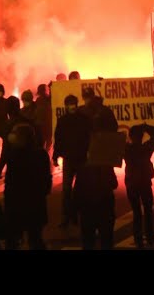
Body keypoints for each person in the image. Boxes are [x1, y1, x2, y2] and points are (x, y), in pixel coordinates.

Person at [74, 87, 119, 249]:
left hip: (88, 209)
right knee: (106, 239)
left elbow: (78, 190)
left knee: (88, 239)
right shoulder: (105, 111)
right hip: (104, 158)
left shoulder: (82, 113)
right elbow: (113, 184)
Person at [4, 123, 52, 250]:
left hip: (17, 204)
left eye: (15, 133)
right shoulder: (41, 154)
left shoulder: (14, 155)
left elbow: (10, 182)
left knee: (13, 240)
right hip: (36, 203)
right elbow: (47, 179)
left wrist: (8, 202)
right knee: (35, 238)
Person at [52, 95, 91, 228]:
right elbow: (58, 139)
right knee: (67, 190)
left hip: (81, 159)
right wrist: (55, 155)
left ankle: (78, 216)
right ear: (66, 106)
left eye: (73, 103)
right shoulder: (63, 121)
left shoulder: (84, 120)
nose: (72, 106)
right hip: (69, 159)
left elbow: (89, 137)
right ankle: (67, 217)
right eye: (70, 104)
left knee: (81, 189)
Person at [124, 123, 154, 248]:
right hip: (144, 182)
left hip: (131, 183)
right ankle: (150, 237)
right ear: (141, 136)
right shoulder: (146, 148)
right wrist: (146, 127)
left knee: (136, 212)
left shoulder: (126, 149)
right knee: (148, 210)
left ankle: (138, 238)